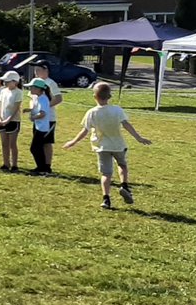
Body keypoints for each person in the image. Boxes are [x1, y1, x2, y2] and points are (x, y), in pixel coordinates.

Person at [63, 81, 152, 209]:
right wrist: (138, 137)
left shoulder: (91, 112)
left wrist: (73, 142)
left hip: (101, 147)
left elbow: (85, 131)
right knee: (122, 165)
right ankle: (124, 185)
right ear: (109, 96)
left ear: (95, 97)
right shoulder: (117, 110)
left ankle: (106, 199)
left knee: (106, 174)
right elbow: (126, 125)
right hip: (118, 145)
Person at [31, 61, 63, 172]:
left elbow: (58, 98)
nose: (36, 72)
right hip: (38, 118)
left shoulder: (50, 83)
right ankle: (41, 165)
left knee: (46, 142)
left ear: (46, 70)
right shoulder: (35, 82)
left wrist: (44, 108)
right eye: (35, 70)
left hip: (48, 118)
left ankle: (47, 166)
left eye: (38, 70)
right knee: (38, 142)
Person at [0, 70, 23, 172]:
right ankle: (6, 163)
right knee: (4, 143)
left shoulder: (18, 92)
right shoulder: (3, 91)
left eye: (8, 81)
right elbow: (0, 105)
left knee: (12, 143)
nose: (5, 83)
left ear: (15, 82)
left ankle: (14, 164)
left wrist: (8, 120)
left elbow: (16, 108)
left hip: (13, 121)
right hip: (2, 120)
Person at [25, 78, 53, 175]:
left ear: (38, 89)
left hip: (42, 127)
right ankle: (42, 167)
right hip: (38, 126)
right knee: (37, 148)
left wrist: (33, 117)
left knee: (35, 148)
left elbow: (42, 113)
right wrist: (29, 110)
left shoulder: (43, 99)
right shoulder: (38, 98)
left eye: (31, 87)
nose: (30, 89)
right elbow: (37, 109)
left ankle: (42, 168)